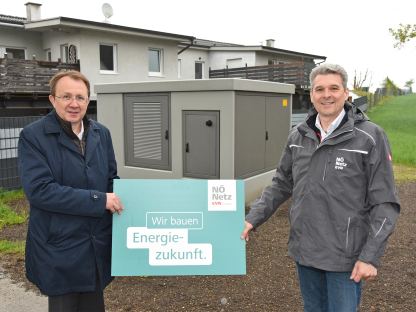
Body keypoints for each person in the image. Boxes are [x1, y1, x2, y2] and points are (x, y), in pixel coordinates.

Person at [241, 63, 400, 312]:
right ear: (312, 95)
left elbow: (386, 203)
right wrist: (252, 219)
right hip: (305, 251)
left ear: (346, 93)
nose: (327, 95)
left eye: (334, 88)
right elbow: (281, 183)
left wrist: (369, 256)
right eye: (320, 89)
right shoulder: (298, 136)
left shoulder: (370, 137)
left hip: (344, 256)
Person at [18, 70, 123, 312]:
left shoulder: (101, 133)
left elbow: (111, 179)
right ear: (53, 100)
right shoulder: (33, 136)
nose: (74, 104)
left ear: (88, 100)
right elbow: (40, 190)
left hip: (95, 244)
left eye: (80, 97)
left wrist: (139, 201)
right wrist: (100, 200)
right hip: (59, 247)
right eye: (66, 97)